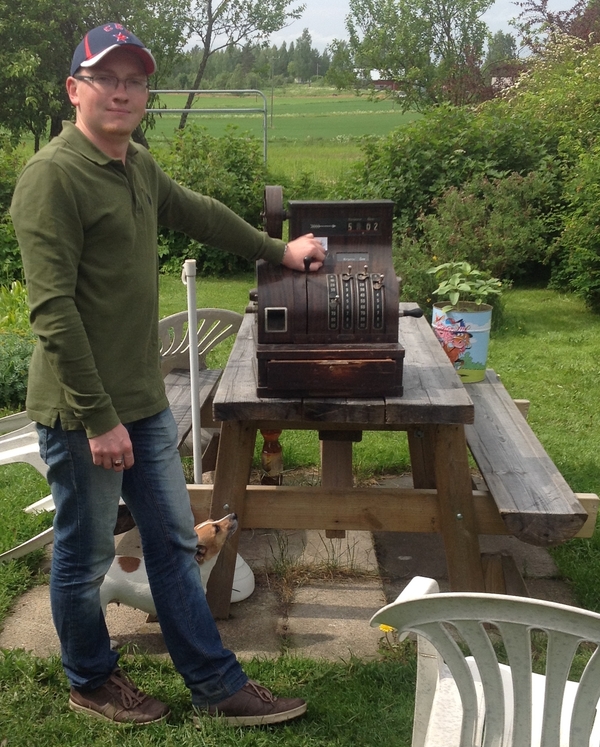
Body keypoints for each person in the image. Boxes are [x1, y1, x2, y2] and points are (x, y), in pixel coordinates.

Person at [10, 22, 326, 728]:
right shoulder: (52, 178)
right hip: (80, 410)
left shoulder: (137, 166)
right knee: (86, 552)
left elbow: (202, 214)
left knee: (175, 543)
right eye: (106, 78)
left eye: (135, 80)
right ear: (75, 90)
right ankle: (90, 677)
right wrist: (98, 419)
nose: (122, 92)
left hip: (145, 402)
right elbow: (52, 311)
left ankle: (216, 684)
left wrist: (280, 248)